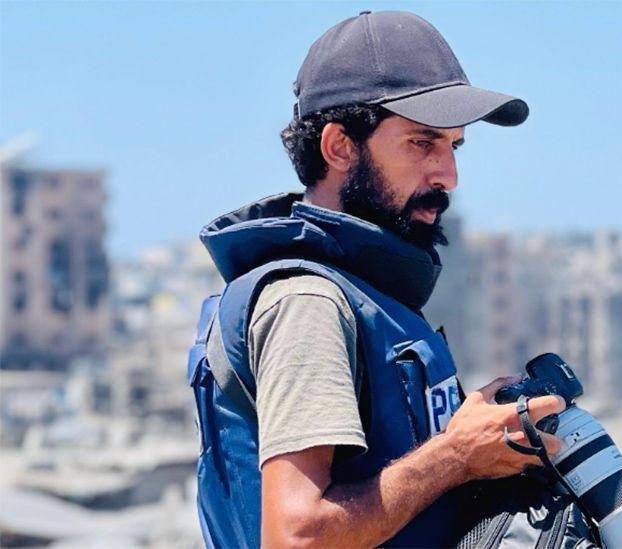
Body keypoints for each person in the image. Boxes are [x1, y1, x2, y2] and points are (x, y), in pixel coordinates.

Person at [190, 10, 566, 548]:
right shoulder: (307, 302)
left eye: (454, 146)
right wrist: (455, 456)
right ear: (340, 146)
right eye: (422, 143)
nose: (448, 176)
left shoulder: (370, 294)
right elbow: (297, 538)